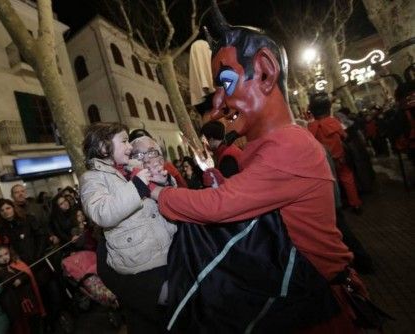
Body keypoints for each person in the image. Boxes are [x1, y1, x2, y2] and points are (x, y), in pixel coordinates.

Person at [150, 4, 372, 333]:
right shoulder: (267, 146)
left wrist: (159, 193)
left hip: (319, 309)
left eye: (225, 82)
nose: (217, 104)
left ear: (265, 73)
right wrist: (215, 176)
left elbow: (220, 206)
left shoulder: (288, 147)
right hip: (302, 298)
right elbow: (256, 201)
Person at [79, 122, 177, 333]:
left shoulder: (134, 168)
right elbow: (102, 212)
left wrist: (165, 182)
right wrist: (137, 186)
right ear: (104, 148)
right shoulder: (92, 178)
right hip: (140, 267)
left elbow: (165, 201)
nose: (130, 147)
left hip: (168, 252)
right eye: (124, 141)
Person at [307, 93, 363, 213]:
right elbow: (345, 136)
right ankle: (355, 204)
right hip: (340, 157)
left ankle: (336, 206)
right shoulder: (333, 122)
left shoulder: (311, 126)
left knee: (331, 183)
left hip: (324, 161)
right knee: (347, 178)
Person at [0, 244, 45, 334]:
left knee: (36, 321)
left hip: (30, 297)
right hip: (19, 303)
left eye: (6, 254)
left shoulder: (16, 263)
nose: (4, 257)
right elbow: (10, 281)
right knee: (28, 326)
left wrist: (21, 279)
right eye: (0, 256)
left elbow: (26, 275)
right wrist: (20, 278)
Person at [200, 120, 243, 186]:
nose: (204, 145)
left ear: (211, 139)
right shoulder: (228, 148)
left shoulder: (227, 158)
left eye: (204, 141)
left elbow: (229, 187)